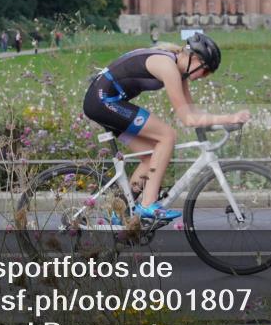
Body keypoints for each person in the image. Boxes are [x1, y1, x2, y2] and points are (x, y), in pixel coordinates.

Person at [83, 33, 249, 221]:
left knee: (150, 156)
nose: (203, 77)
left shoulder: (179, 71)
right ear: (195, 59)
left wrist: (220, 123)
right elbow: (188, 119)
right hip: (103, 101)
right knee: (167, 136)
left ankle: (118, 214)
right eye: (205, 71)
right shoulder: (168, 67)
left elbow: (193, 112)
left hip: (105, 102)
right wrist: (230, 117)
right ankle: (148, 204)